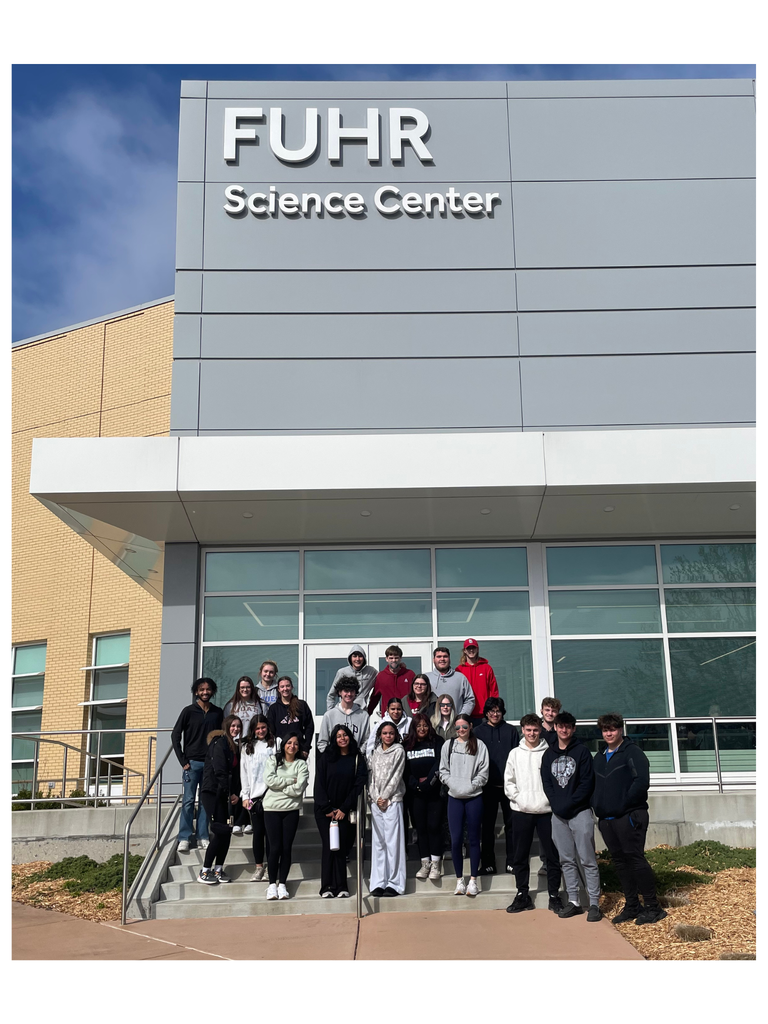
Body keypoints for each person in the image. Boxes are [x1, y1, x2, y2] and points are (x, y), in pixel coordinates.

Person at [592, 712, 666, 925]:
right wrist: (596, 804)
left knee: (635, 859)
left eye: (613, 729)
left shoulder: (633, 752)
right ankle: (633, 905)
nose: (609, 733)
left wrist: (623, 804)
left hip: (630, 816)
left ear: (620, 729)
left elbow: (641, 782)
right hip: (607, 819)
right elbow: (593, 785)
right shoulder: (599, 757)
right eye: (605, 730)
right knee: (620, 862)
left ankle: (653, 907)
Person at [541, 711, 602, 922]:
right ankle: (574, 901)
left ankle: (594, 903)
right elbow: (547, 783)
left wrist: (570, 803)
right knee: (566, 860)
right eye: (560, 726)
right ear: (555, 728)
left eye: (568, 726)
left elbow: (587, 783)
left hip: (580, 812)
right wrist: (556, 804)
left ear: (573, 729)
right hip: (558, 815)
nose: (564, 730)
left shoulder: (582, 752)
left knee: (587, 859)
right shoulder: (548, 755)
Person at [504, 713, 563, 913]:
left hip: (546, 811)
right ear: (522, 730)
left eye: (535, 730)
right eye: (528, 730)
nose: (532, 733)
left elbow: (556, 780)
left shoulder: (550, 752)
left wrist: (550, 800)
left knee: (552, 856)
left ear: (541, 730)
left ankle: (554, 895)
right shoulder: (515, 754)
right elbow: (509, 781)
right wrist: (519, 799)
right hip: (522, 811)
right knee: (520, 855)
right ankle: (522, 894)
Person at [314, 724, 368, 898]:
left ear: (350, 737)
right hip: (325, 811)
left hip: (345, 810)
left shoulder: (357, 758)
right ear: (333, 739)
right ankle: (327, 887)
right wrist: (327, 808)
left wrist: (344, 808)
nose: (342, 738)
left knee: (341, 848)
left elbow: (358, 785)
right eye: (338, 736)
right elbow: (319, 784)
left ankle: (342, 887)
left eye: (345, 735)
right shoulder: (326, 758)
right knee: (329, 847)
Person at [439, 714, 489, 897]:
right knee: (456, 840)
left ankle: (473, 880)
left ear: (471, 727)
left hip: (474, 797)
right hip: (454, 797)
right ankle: (459, 880)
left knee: (474, 839)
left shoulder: (480, 745)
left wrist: (471, 786)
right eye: (458, 727)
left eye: (464, 727)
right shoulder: (448, 745)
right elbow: (443, 771)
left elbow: (483, 772)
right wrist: (453, 784)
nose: (461, 730)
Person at [172, 677, 224, 852]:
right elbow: (175, 735)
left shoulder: (218, 712)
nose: (205, 692)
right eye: (201, 689)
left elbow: (222, 737)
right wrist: (183, 760)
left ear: (212, 691)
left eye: (208, 689)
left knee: (205, 802)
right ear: (196, 692)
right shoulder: (188, 711)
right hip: (192, 763)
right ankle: (184, 837)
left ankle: (203, 836)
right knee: (188, 801)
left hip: (210, 765)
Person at [262, 731, 309, 900]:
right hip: (271, 809)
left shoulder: (301, 764)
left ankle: (282, 884)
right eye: (289, 743)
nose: (292, 746)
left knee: (286, 848)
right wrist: (290, 781)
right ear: (283, 745)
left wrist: (281, 787)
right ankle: (271, 885)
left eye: (295, 743)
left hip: (291, 809)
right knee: (274, 847)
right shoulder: (273, 760)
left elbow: (299, 788)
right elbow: (269, 780)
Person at [474, 697, 519, 875]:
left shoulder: (511, 731)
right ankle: (488, 864)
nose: (495, 714)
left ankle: (512, 862)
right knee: (487, 827)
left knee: (512, 826)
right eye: (491, 711)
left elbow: (517, 758)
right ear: (486, 713)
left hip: (508, 786)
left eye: (498, 710)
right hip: (487, 787)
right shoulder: (478, 732)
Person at [197, 714, 241, 885]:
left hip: (225, 794)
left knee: (227, 833)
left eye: (238, 726)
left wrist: (235, 793)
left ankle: (218, 869)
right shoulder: (219, 743)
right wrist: (230, 793)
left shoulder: (234, 746)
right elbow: (220, 771)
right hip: (212, 793)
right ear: (226, 727)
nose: (235, 729)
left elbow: (234, 774)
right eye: (233, 726)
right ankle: (205, 870)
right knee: (220, 831)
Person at [368, 721, 407, 897]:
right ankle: (379, 882)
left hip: (392, 800)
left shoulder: (399, 751)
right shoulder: (374, 752)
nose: (388, 736)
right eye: (385, 733)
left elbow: (396, 775)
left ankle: (395, 883)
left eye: (391, 733)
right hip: (377, 802)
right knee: (379, 843)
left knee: (393, 843)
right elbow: (371, 777)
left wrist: (385, 796)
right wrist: (376, 797)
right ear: (380, 735)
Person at [403, 712, 444, 881]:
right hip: (415, 794)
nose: (422, 728)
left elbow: (440, 764)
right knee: (420, 828)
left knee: (434, 826)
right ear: (413, 727)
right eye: (418, 726)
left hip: (434, 792)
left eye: (425, 725)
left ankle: (436, 863)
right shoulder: (407, 744)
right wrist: (416, 785)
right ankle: (425, 862)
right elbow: (404, 770)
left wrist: (428, 783)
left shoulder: (437, 742)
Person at [240, 715, 281, 882]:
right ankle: (258, 867)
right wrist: (245, 795)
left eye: (263, 727)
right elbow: (244, 772)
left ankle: (271, 868)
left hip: (273, 795)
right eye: (257, 728)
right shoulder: (247, 747)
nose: (261, 731)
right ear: (252, 730)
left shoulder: (276, 743)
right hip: (255, 797)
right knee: (258, 833)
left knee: (271, 834)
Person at [223, 676, 264, 833]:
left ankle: (249, 819)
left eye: (247, 687)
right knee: (238, 783)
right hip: (235, 747)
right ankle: (238, 820)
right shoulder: (230, 706)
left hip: (252, 747)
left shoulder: (260, 704)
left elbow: (264, 724)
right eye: (242, 688)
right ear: (238, 689)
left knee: (251, 782)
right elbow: (226, 726)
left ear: (252, 688)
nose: (245, 690)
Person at [317, 676, 370, 753]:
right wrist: (330, 756)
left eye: (352, 691)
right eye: (346, 691)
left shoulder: (363, 715)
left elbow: (367, 740)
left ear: (355, 693)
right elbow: (322, 742)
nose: (349, 694)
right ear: (340, 692)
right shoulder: (329, 715)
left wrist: (358, 754)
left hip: (355, 757)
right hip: (334, 758)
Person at [267, 676, 314, 758]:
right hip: (280, 751)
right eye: (282, 687)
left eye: (288, 686)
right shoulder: (273, 709)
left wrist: (306, 748)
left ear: (292, 687)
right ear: (278, 689)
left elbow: (309, 727)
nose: (285, 689)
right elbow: (271, 731)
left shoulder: (301, 705)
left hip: (298, 749)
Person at [456, 639, 499, 721]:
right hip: (465, 714)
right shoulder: (459, 670)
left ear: (477, 649)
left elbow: (494, 690)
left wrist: (492, 709)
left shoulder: (486, 668)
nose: (471, 650)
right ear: (464, 651)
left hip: (484, 714)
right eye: (469, 648)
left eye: (473, 648)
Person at [367, 645, 416, 716]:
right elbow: (375, 697)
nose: (393, 660)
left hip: (407, 715)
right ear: (386, 659)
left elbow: (417, 694)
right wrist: (368, 713)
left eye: (396, 658)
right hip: (388, 716)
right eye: (391, 658)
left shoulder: (410, 674)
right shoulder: (381, 676)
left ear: (400, 658)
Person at [326, 644, 378, 711]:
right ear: (350, 658)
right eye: (354, 656)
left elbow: (383, 680)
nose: (357, 659)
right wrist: (330, 713)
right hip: (344, 711)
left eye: (360, 656)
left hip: (361, 712)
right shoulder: (342, 672)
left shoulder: (371, 672)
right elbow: (331, 695)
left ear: (364, 658)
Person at [427, 647, 475, 716]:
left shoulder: (460, 678)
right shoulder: (426, 678)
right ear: (433, 660)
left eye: (445, 656)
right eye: (439, 657)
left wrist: (462, 717)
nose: (442, 659)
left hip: (455, 721)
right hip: (432, 721)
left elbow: (470, 699)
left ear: (449, 659)